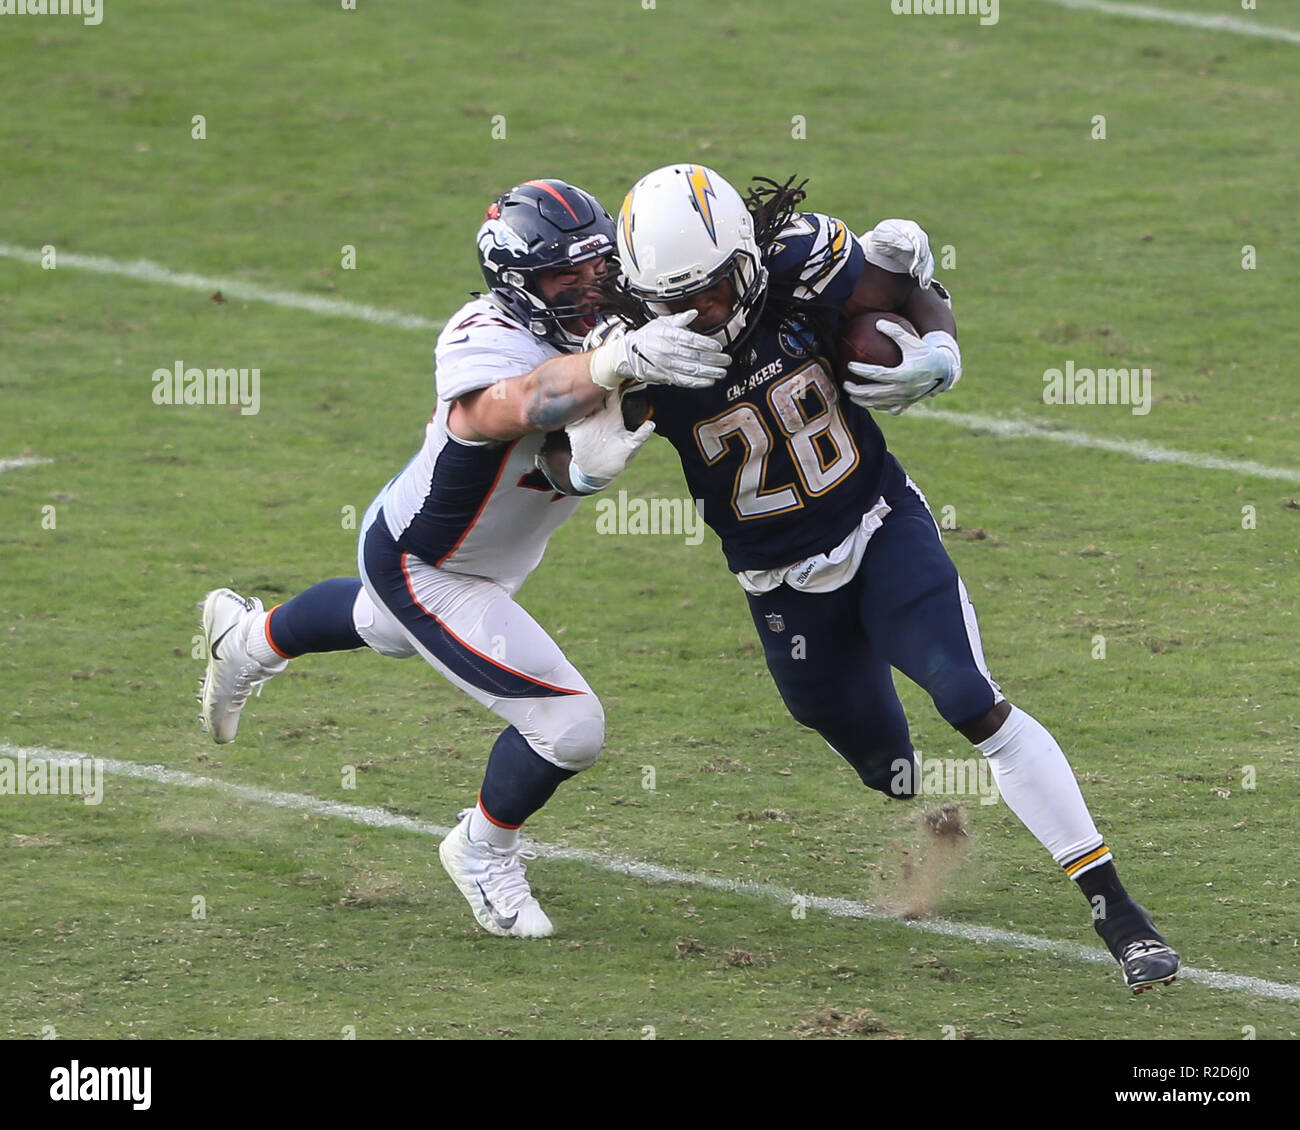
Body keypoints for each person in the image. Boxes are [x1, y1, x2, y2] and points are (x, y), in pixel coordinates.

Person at [574, 163, 1179, 992]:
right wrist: (593, 430)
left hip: (880, 524)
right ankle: (904, 778)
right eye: (677, 298)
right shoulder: (631, 339)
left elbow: (906, 285)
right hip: (780, 583)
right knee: (885, 770)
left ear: (746, 259)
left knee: (972, 702)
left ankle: (1118, 912)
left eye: (714, 288)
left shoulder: (799, 261)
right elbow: (556, 439)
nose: (699, 311)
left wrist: (939, 347)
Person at [197, 178, 727, 938]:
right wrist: (614, 367)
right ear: (516, 284)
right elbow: (517, 406)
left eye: (596, 267)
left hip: (474, 546)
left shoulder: (614, 315)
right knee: (570, 727)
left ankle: (244, 639)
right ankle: (481, 848)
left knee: (380, 627)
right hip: (430, 563)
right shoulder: (485, 336)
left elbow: (547, 459)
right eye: (561, 276)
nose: (588, 288)